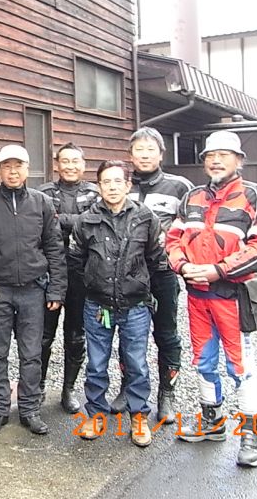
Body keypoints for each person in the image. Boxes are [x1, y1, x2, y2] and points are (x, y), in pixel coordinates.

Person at [166, 130, 257, 468]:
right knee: (202, 361)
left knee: (240, 367)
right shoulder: (192, 197)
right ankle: (213, 423)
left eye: (224, 155)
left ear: (239, 160)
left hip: (232, 297)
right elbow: (172, 239)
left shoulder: (255, 196)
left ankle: (250, 434)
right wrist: (182, 266)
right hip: (196, 298)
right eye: (210, 156)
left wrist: (219, 270)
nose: (216, 161)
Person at [0, 145, 65, 436]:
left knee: (31, 353)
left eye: (18, 166)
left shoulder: (42, 202)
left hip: (33, 290)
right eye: (7, 166)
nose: (12, 172)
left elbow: (55, 248)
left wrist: (56, 290)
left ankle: (29, 409)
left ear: (27, 169)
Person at [70, 160, 164, 447]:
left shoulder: (145, 217)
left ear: (128, 185)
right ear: (99, 186)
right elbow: (76, 261)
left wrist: (145, 289)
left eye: (117, 181)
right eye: (106, 182)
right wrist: (94, 283)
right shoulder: (85, 220)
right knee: (96, 364)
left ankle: (139, 418)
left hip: (135, 305)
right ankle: (96, 415)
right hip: (97, 306)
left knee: (137, 363)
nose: (112, 187)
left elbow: (156, 259)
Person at [111, 127, 193, 423]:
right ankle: (128, 387)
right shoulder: (121, 184)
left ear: (161, 154)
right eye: (139, 150)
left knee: (166, 334)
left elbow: (192, 230)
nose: (144, 155)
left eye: (150, 150)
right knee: (128, 333)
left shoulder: (179, 186)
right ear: (130, 154)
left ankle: (166, 393)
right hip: (126, 276)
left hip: (162, 274)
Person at [37, 142, 99, 412]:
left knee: (75, 335)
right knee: (43, 334)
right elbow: (42, 225)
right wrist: (78, 220)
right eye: (65, 161)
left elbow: (93, 224)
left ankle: (69, 388)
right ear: (57, 164)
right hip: (49, 270)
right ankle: (37, 386)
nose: (70, 166)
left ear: (83, 165)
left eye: (75, 161)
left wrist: (61, 219)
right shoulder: (43, 193)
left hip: (82, 272)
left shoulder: (95, 193)